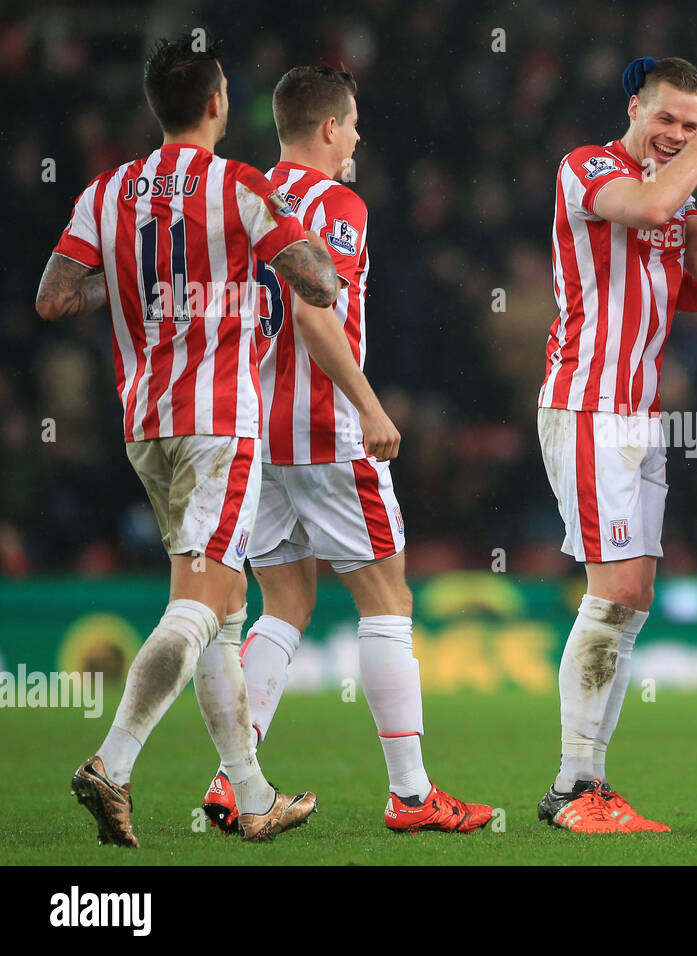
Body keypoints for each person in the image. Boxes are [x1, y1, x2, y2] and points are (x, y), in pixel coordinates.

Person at [36, 34, 340, 846]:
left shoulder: (108, 192)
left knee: (226, 608)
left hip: (147, 426)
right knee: (202, 604)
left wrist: (140, 284)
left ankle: (250, 798)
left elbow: (55, 298)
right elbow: (317, 281)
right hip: (219, 425)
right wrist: (290, 260)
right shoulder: (240, 186)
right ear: (217, 104)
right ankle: (113, 762)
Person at [198, 65, 493, 836]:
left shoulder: (243, 198)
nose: (358, 135)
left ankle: (237, 783)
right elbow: (312, 313)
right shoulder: (338, 205)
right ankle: (413, 794)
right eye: (353, 122)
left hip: (257, 435)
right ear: (329, 127)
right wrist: (371, 407)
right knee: (389, 600)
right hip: (328, 432)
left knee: (286, 603)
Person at [536, 56, 697, 833]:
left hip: (638, 418)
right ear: (635, 110)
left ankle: (588, 783)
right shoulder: (589, 169)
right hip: (585, 404)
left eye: (690, 120)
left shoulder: (680, 201)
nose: (677, 134)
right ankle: (575, 785)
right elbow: (643, 210)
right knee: (612, 591)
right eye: (668, 118)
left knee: (632, 594)